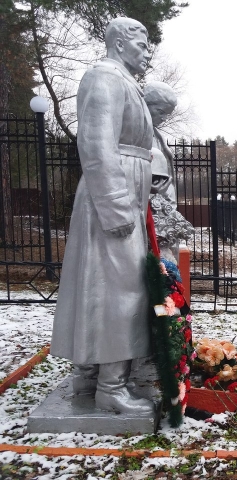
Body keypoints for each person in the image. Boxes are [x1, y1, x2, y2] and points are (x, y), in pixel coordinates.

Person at [50, 17, 155, 414]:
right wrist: (115, 205)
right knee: (120, 290)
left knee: (104, 286)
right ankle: (110, 387)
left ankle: (90, 378)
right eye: (142, 43)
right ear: (119, 43)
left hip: (128, 192)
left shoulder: (125, 82)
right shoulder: (104, 77)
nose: (147, 51)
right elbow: (96, 142)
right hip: (113, 196)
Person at [144, 81, 193, 264]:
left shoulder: (156, 135)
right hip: (152, 219)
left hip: (164, 216)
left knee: (168, 274)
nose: (164, 118)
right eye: (161, 112)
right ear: (147, 105)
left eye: (168, 114)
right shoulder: (137, 133)